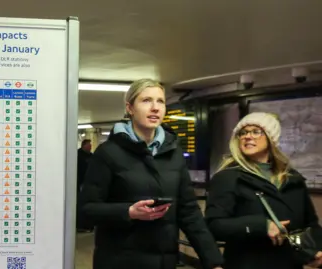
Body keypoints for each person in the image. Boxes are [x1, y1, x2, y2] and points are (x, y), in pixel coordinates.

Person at [78, 78, 224, 269]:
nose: (155, 108)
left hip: (164, 261)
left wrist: (213, 261)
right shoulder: (108, 152)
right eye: (146, 100)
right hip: (119, 261)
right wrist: (129, 212)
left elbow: (189, 212)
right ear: (130, 108)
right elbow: (86, 210)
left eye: (160, 101)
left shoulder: (173, 152)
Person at [205, 112, 322, 269]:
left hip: (290, 263)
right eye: (243, 132)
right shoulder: (227, 178)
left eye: (256, 131)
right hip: (248, 263)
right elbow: (214, 226)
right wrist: (261, 226)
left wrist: (317, 250)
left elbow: (312, 224)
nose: (247, 136)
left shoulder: (292, 178)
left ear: (271, 138)